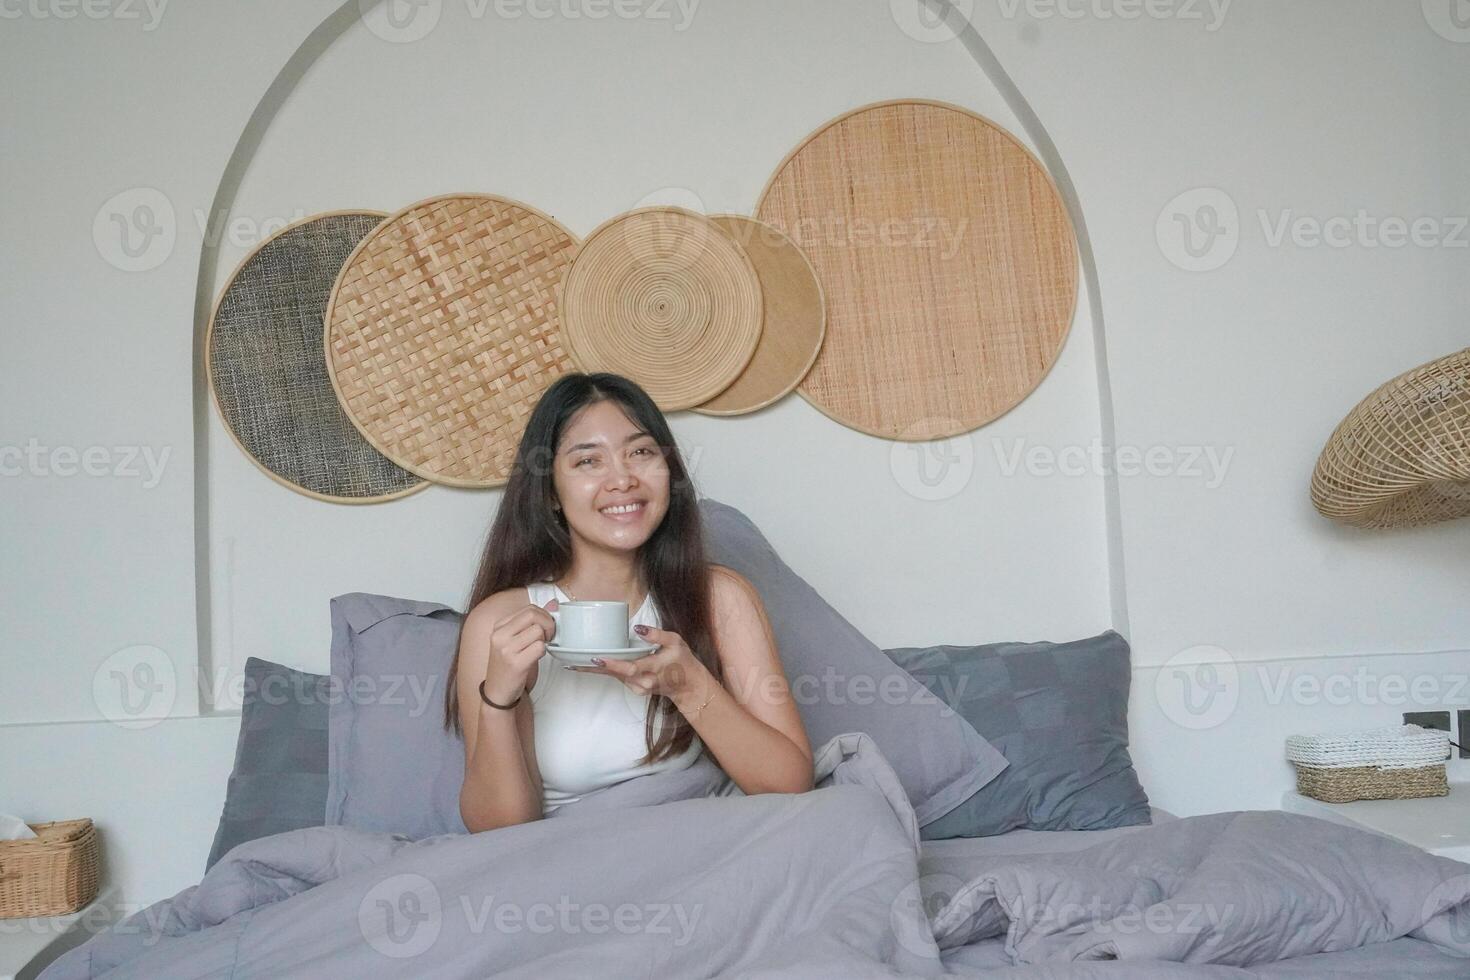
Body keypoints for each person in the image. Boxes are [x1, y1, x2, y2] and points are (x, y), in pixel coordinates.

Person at [443, 371, 813, 832]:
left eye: (640, 452)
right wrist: (501, 697)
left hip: (698, 840)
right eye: (588, 462)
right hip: (575, 860)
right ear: (551, 494)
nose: (622, 479)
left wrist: (690, 686)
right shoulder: (500, 622)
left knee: (855, 813)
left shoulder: (720, 598)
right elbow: (497, 830)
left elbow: (792, 785)